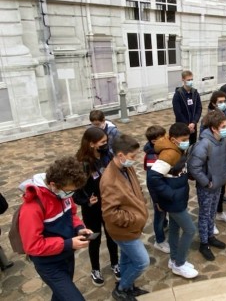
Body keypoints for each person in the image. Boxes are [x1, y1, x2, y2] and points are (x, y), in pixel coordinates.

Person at [19, 156, 91, 301]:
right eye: (70, 191)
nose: (71, 195)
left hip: (66, 256)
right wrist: (68, 243)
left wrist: (79, 228)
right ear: (54, 185)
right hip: (49, 265)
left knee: (60, 295)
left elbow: (72, 214)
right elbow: (32, 246)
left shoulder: (63, 192)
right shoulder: (32, 207)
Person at [100, 134, 150, 301]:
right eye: (132, 156)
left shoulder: (126, 167)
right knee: (142, 262)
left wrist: (141, 202)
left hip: (131, 227)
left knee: (127, 259)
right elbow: (110, 213)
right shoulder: (109, 180)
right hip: (123, 231)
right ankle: (121, 290)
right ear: (120, 155)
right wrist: (134, 218)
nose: (135, 159)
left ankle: (128, 286)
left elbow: (136, 188)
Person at [147, 123, 198, 279]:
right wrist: (170, 194)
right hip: (174, 200)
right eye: (183, 139)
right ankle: (180, 264)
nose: (186, 141)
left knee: (175, 229)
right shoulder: (169, 154)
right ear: (173, 139)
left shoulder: (177, 149)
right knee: (190, 230)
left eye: (187, 138)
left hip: (178, 196)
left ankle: (174, 259)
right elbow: (153, 177)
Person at [73, 127, 120, 286]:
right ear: (92, 144)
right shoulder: (81, 164)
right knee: (95, 239)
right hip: (92, 209)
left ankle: (115, 263)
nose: (106, 144)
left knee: (112, 235)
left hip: (109, 203)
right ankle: (95, 269)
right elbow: (75, 192)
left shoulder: (107, 155)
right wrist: (87, 201)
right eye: (102, 142)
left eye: (106, 141)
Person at [188, 111, 226, 261]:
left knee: (212, 212)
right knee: (205, 214)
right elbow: (194, 168)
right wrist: (207, 182)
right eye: (223, 126)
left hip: (218, 183)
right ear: (213, 128)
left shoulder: (222, 140)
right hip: (207, 187)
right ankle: (203, 243)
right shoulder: (204, 144)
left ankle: (210, 236)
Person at [202, 91, 226, 229]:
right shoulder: (207, 119)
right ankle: (211, 220)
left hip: (224, 155)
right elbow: (202, 140)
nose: (223, 104)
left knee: (221, 188)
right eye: (220, 101)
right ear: (214, 103)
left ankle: (219, 212)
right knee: (211, 194)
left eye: (224, 101)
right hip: (212, 159)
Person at [144, 125, 170, 253]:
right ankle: (159, 241)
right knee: (159, 215)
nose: (166, 138)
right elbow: (151, 181)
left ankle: (165, 224)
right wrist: (156, 200)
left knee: (164, 214)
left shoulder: (161, 150)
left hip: (165, 187)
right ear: (154, 141)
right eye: (163, 137)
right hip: (158, 193)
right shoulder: (152, 157)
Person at [172, 70, 202, 145]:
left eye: (191, 79)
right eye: (188, 80)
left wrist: (194, 123)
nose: (190, 81)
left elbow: (199, 108)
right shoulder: (178, 94)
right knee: (183, 145)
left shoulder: (195, 93)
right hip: (182, 126)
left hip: (193, 126)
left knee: (193, 145)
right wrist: (187, 125)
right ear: (183, 80)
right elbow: (178, 112)